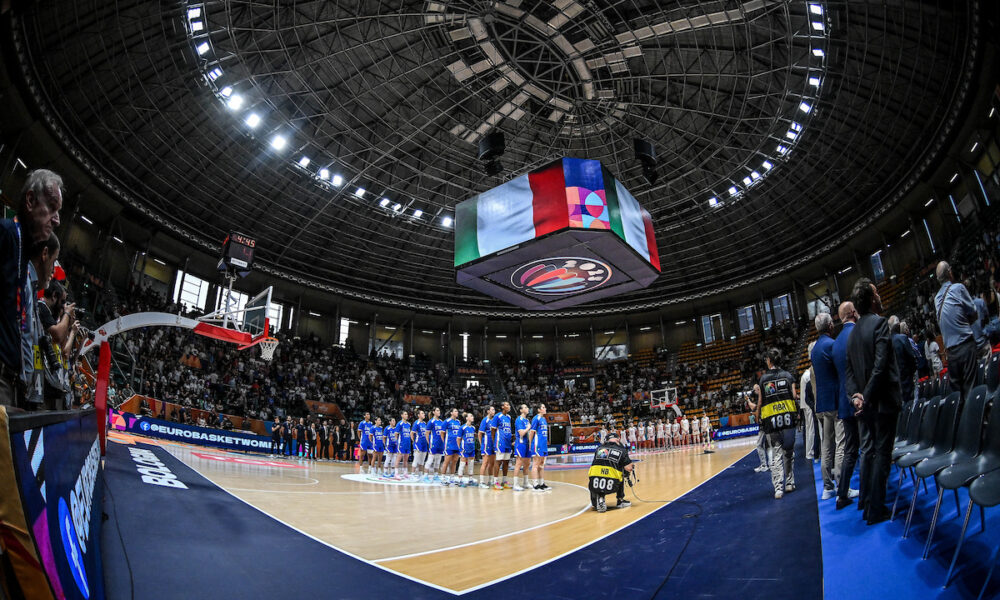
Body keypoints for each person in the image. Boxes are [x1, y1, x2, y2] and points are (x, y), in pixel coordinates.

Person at [1, 169, 63, 409]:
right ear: (30, 201)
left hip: (13, 381)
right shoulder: (6, 235)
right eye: (52, 208)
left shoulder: (22, 253)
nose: (57, 219)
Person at [846, 278, 902, 525]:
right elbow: (880, 367)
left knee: (869, 452)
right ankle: (876, 509)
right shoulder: (880, 324)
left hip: (865, 406)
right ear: (871, 300)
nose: (880, 297)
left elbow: (849, 374)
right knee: (881, 454)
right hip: (881, 402)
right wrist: (866, 396)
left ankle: (867, 503)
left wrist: (856, 397)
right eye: (877, 293)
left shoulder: (853, 333)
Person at [748, 348, 798, 499]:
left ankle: (778, 488)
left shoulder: (763, 380)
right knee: (788, 453)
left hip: (772, 422)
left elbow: (761, 401)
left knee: (776, 454)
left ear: (769, 361)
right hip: (788, 419)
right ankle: (789, 483)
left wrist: (757, 415)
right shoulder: (788, 376)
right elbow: (794, 396)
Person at [934, 261, 984, 401]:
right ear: (950, 272)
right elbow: (973, 311)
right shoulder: (958, 288)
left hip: (951, 353)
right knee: (971, 390)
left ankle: (963, 421)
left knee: (958, 396)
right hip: (965, 346)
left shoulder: (937, 298)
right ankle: (974, 420)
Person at [811, 312, 840, 500]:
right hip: (836, 400)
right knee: (841, 444)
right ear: (830, 325)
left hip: (823, 403)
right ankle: (842, 485)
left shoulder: (813, 349)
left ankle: (827, 487)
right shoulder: (831, 345)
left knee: (826, 445)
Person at [587, 433, 633, 513]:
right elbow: (628, 468)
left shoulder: (599, 449)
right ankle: (620, 500)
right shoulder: (622, 450)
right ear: (618, 439)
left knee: (598, 472)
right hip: (612, 483)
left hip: (594, 483)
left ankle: (600, 499)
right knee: (622, 472)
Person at [891, 319, 917, 404]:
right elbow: (911, 357)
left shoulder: (886, 342)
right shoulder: (902, 338)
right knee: (913, 402)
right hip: (907, 376)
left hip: (896, 382)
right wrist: (912, 371)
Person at [491, 401, 513, 490]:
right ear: (502, 407)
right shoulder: (497, 416)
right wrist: (494, 441)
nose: (509, 406)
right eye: (507, 405)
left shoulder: (509, 417)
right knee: (498, 461)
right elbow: (493, 430)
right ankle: (495, 482)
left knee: (506, 462)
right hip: (500, 442)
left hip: (508, 442)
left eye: (509, 404)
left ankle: (504, 481)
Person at [529, 403, 550, 492]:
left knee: (541, 464)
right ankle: (535, 484)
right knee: (536, 464)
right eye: (543, 407)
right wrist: (530, 444)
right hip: (537, 444)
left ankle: (541, 483)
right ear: (538, 410)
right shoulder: (536, 418)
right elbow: (531, 432)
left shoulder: (544, 419)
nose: (545, 408)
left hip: (543, 445)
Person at [511, 404, 532, 491]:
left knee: (527, 464)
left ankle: (525, 483)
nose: (527, 409)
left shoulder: (527, 420)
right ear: (521, 410)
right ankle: (515, 484)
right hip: (521, 444)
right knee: (518, 464)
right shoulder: (518, 420)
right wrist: (528, 428)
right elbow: (521, 433)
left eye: (527, 407)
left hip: (527, 444)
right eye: (525, 407)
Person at [799, 362, 816, 461]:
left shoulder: (805, 374)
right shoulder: (808, 375)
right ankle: (810, 452)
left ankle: (809, 452)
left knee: (809, 429)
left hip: (804, 405)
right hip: (808, 405)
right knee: (811, 430)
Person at [440, 409, 461, 484]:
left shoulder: (458, 422)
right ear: (451, 413)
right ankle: (443, 477)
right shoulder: (447, 421)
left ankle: (452, 477)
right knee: (446, 461)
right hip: (449, 444)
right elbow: (442, 433)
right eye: (455, 411)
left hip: (457, 445)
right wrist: (444, 441)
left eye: (457, 411)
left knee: (455, 461)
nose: (457, 412)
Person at [425, 407, 446, 481]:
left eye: (439, 410)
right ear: (433, 412)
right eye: (437, 410)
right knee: (430, 460)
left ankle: (436, 475)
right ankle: (425, 476)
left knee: (438, 461)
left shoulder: (441, 421)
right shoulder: (431, 421)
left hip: (440, 444)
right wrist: (429, 442)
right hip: (433, 443)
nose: (439, 412)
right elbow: (427, 433)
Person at [477, 406, 496, 488]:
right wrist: (482, 444)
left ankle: (491, 480)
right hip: (486, 444)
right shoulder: (485, 420)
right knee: (485, 463)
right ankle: (481, 482)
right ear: (488, 411)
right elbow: (479, 433)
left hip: (493, 444)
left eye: (494, 409)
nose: (494, 411)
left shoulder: (494, 420)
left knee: (492, 463)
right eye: (492, 409)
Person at [459, 412, 477, 487]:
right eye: (471, 416)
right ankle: (460, 480)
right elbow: (458, 438)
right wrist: (459, 448)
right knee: (462, 464)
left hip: (471, 448)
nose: (473, 417)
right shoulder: (462, 427)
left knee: (471, 463)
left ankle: (470, 479)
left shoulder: (473, 428)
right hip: (464, 448)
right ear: (467, 418)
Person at [394, 410, 412, 479]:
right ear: (402, 415)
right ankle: (396, 473)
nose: (406, 415)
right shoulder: (399, 424)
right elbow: (396, 433)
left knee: (406, 459)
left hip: (407, 443)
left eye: (407, 414)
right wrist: (396, 441)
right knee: (398, 458)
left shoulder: (409, 424)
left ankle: (405, 473)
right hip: (401, 443)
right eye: (405, 414)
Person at [412, 409, 429, 480]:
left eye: (424, 413)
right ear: (418, 415)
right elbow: (412, 433)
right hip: (418, 444)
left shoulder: (424, 423)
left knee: (422, 461)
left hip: (424, 444)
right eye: (422, 413)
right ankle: (412, 475)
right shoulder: (416, 423)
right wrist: (414, 441)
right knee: (416, 460)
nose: (424, 414)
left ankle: (420, 474)